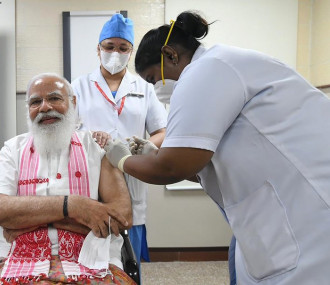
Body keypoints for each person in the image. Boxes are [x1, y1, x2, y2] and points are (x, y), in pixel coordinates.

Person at [104, 10, 330, 285]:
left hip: (304, 214)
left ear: (170, 55)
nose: (157, 89)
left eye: (153, 79)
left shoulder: (207, 70)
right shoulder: (220, 66)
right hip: (268, 208)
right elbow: (203, 164)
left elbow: (172, 167)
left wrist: (123, 160)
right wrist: (154, 155)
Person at [0, 73, 136, 285]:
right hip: (18, 256)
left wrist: (31, 219)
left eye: (54, 98)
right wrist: (74, 207)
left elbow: (121, 216)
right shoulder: (12, 150)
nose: (45, 107)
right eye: (36, 101)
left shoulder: (98, 147)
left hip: (90, 257)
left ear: (72, 102)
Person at [71, 13, 168, 266]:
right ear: (98, 49)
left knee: (129, 257)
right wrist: (89, 137)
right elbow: (66, 133)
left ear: (131, 51)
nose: (116, 53)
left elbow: (162, 131)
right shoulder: (78, 87)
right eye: (109, 46)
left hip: (132, 174)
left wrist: (143, 147)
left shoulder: (145, 88)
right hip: (90, 177)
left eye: (123, 48)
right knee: (90, 255)